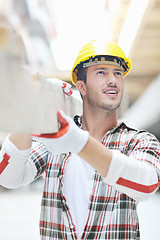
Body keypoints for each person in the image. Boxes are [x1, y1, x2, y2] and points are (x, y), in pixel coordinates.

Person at [0, 40, 160, 240]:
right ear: (81, 87)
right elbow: (8, 176)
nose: (113, 80)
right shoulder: (56, 142)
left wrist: (78, 143)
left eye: (117, 73)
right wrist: (30, 111)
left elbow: (146, 185)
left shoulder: (139, 141)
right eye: (101, 72)